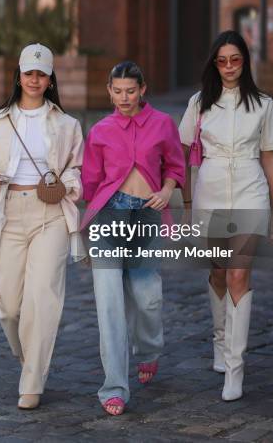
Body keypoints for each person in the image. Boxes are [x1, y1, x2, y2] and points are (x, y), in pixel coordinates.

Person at [0, 43, 84, 410]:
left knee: (42, 297)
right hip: (8, 211)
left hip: (51, 214)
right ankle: (27, 356)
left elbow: (77, 168)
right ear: (18, 76)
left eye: (41, 73)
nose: (34, 79)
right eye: (28, 73)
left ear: (50, 79)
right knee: (9, 304)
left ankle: (32, 380)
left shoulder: (67, 124)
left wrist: (68, 185)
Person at [179, 30, 273, 401]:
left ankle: (235, 370)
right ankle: (220, 340)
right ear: (214, 63)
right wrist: (188, 206)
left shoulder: (263, 104)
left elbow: (269, 156)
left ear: (245, 61)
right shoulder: (198, 104)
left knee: (239, 272)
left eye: (234, 60)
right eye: (221, 61)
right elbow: (183, 157)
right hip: (210, 189)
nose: (228, 67)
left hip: (250, 190)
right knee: (219, 272)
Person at [81, 61, 186, 415]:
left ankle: (149, 350)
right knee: (109, 305)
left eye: (130, 90)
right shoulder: (100, 130)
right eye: (117, 91)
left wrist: (167, 189)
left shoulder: (163, 124)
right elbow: (91, 184)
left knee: (147, 298)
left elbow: (174, 167)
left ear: (143, 89)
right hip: (109, 217)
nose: (124, 98)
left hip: (146, 216)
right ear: (109, 91)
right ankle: (113, 388)